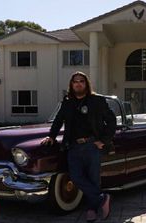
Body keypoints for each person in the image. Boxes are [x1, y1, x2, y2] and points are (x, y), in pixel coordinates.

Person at [40, 71, 116, 222]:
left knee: (93, 179)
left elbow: (111, 121)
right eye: (75, 81)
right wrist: (51, 136)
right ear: (72, 84)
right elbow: (58, 121)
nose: (78, 83)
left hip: (92, 145)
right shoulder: (67, 102)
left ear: (86, 84)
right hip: (73, 146)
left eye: (81, 81)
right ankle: (102, 199)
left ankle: (92, 210)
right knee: (75, 177)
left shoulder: (97, 101)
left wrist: (104, 140)